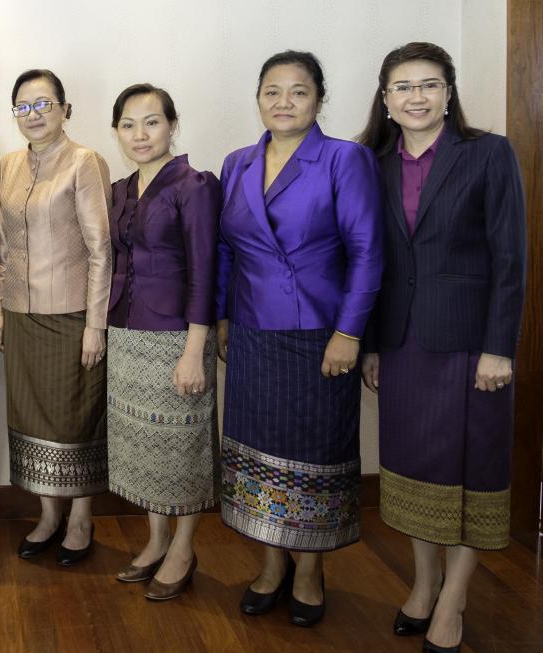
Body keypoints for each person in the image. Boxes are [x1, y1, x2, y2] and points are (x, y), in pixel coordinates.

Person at [358, 42, 526, 653]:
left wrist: (499, 348)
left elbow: (512, 259)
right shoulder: (371, 162)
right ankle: (424, 587)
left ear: (449, 92)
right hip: (401, 344)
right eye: (403, 86)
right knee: (412, 471)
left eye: (429, 84)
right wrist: (371, 345)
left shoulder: (488, 154)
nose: (416, 97)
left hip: (469, 348)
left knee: (468, 471)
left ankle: (453, 601)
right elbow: (369, 261)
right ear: (385, 99)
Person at [215, 51, 382, 626]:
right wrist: (221, 318)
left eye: (298, 91)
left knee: (313, 455)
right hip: (252, 333)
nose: (283, 102)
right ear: (257, 97)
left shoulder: (344, 159)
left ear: (318, 99)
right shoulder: (237, 163)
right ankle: (270, 562)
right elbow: (226, 251)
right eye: (272, 91)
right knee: (258, 453)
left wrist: (349, 333)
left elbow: (366, 252)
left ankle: (309, 571)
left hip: (319, 334)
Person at [0, 69, 111, 566]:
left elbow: (102, 249)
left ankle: (80, 519)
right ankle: (47, 515)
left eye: (43, 104)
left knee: (74, 419)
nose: (33, 114)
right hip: (19, 315)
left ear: (65, 108)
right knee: (31, 417)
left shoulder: (85, 161)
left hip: (71, 317)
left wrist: (95, 325)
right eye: (23, 105)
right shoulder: (8, 164)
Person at [105, 84, 220, 599]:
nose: (140, 134)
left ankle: (184, 547)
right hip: (126, 332)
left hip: (177, 337)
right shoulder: (121, 189)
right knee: (143, 450)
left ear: (172, 124)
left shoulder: (193, 184)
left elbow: (205, 271)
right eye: (128, 124)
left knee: (182, 448)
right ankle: (155, 541)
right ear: (116, 132)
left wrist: (196, 349)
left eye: (151, 122)